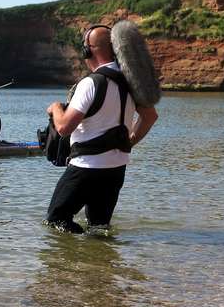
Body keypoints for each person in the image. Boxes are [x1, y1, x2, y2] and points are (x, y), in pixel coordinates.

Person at [44, 26, 159, 233]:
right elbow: (150, 117)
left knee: (55, 221)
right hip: (116, 168)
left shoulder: (90, 83)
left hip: (86, 167)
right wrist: (128, 142)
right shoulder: (130, 82)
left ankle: (70, 264)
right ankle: (101, 263)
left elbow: (63, 127)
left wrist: (56, 108)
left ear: (89, 50)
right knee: (99, 227)